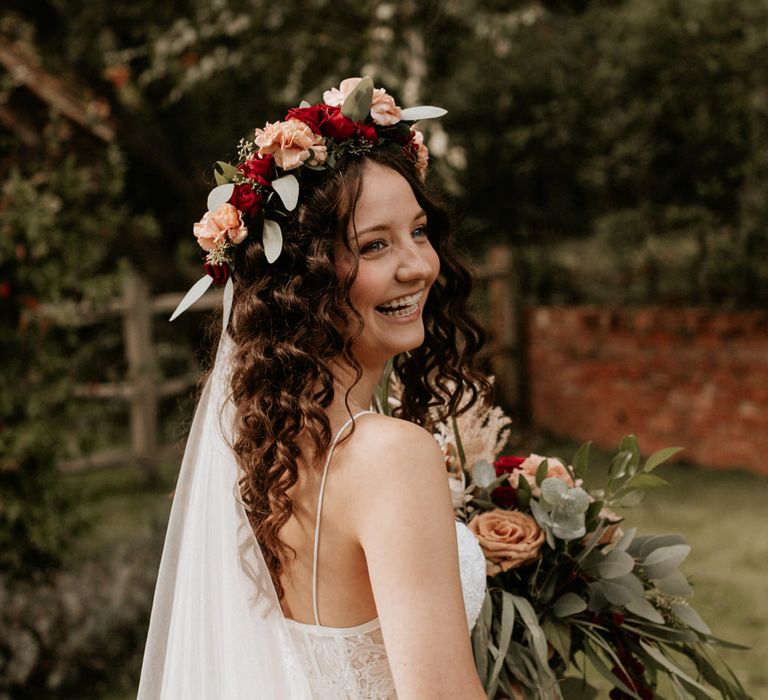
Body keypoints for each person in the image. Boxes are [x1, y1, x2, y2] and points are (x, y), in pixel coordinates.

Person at [138, 77, 490, 699]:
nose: (418, 265)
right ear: (308, 281)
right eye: (374, 245)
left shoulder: (265, 445)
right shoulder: (391, 457)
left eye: (419, 231)